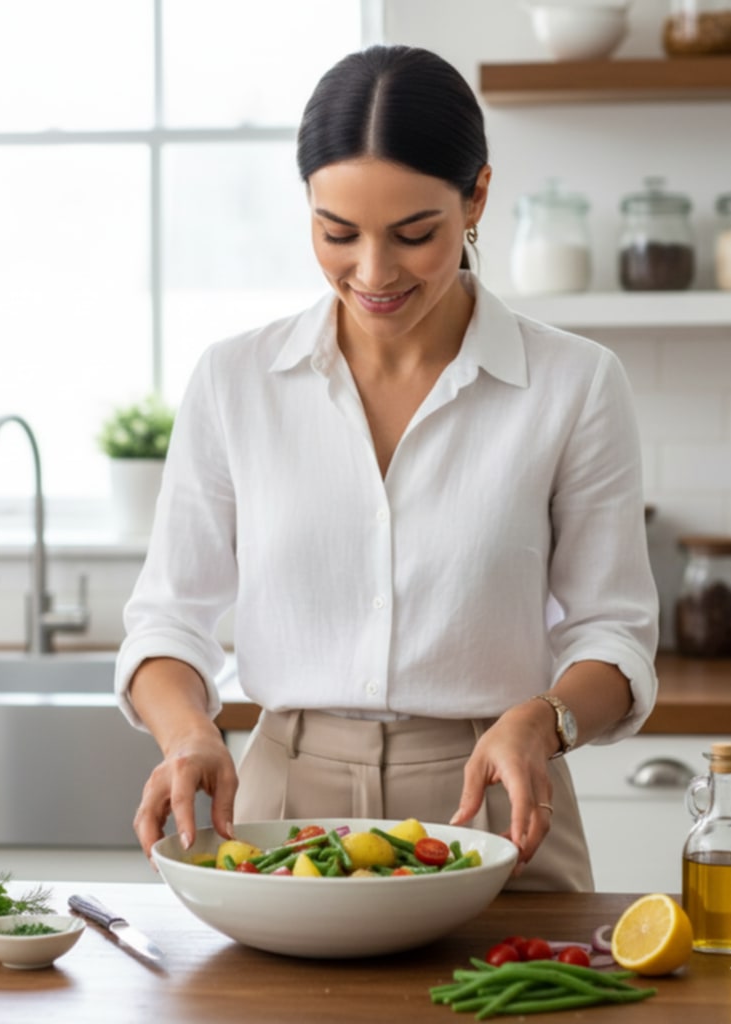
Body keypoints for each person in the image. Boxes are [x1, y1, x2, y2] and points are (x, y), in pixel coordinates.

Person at [113, 45, 658, 891]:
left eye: (413, 235)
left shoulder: (574, 384)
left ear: (476, 195)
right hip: (282, 805)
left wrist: (542, 721)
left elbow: (612, 632)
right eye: (337, 233)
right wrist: (188, 734)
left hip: (496, 798)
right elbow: (166, 622)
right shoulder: (235, 381)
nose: (371, 273)